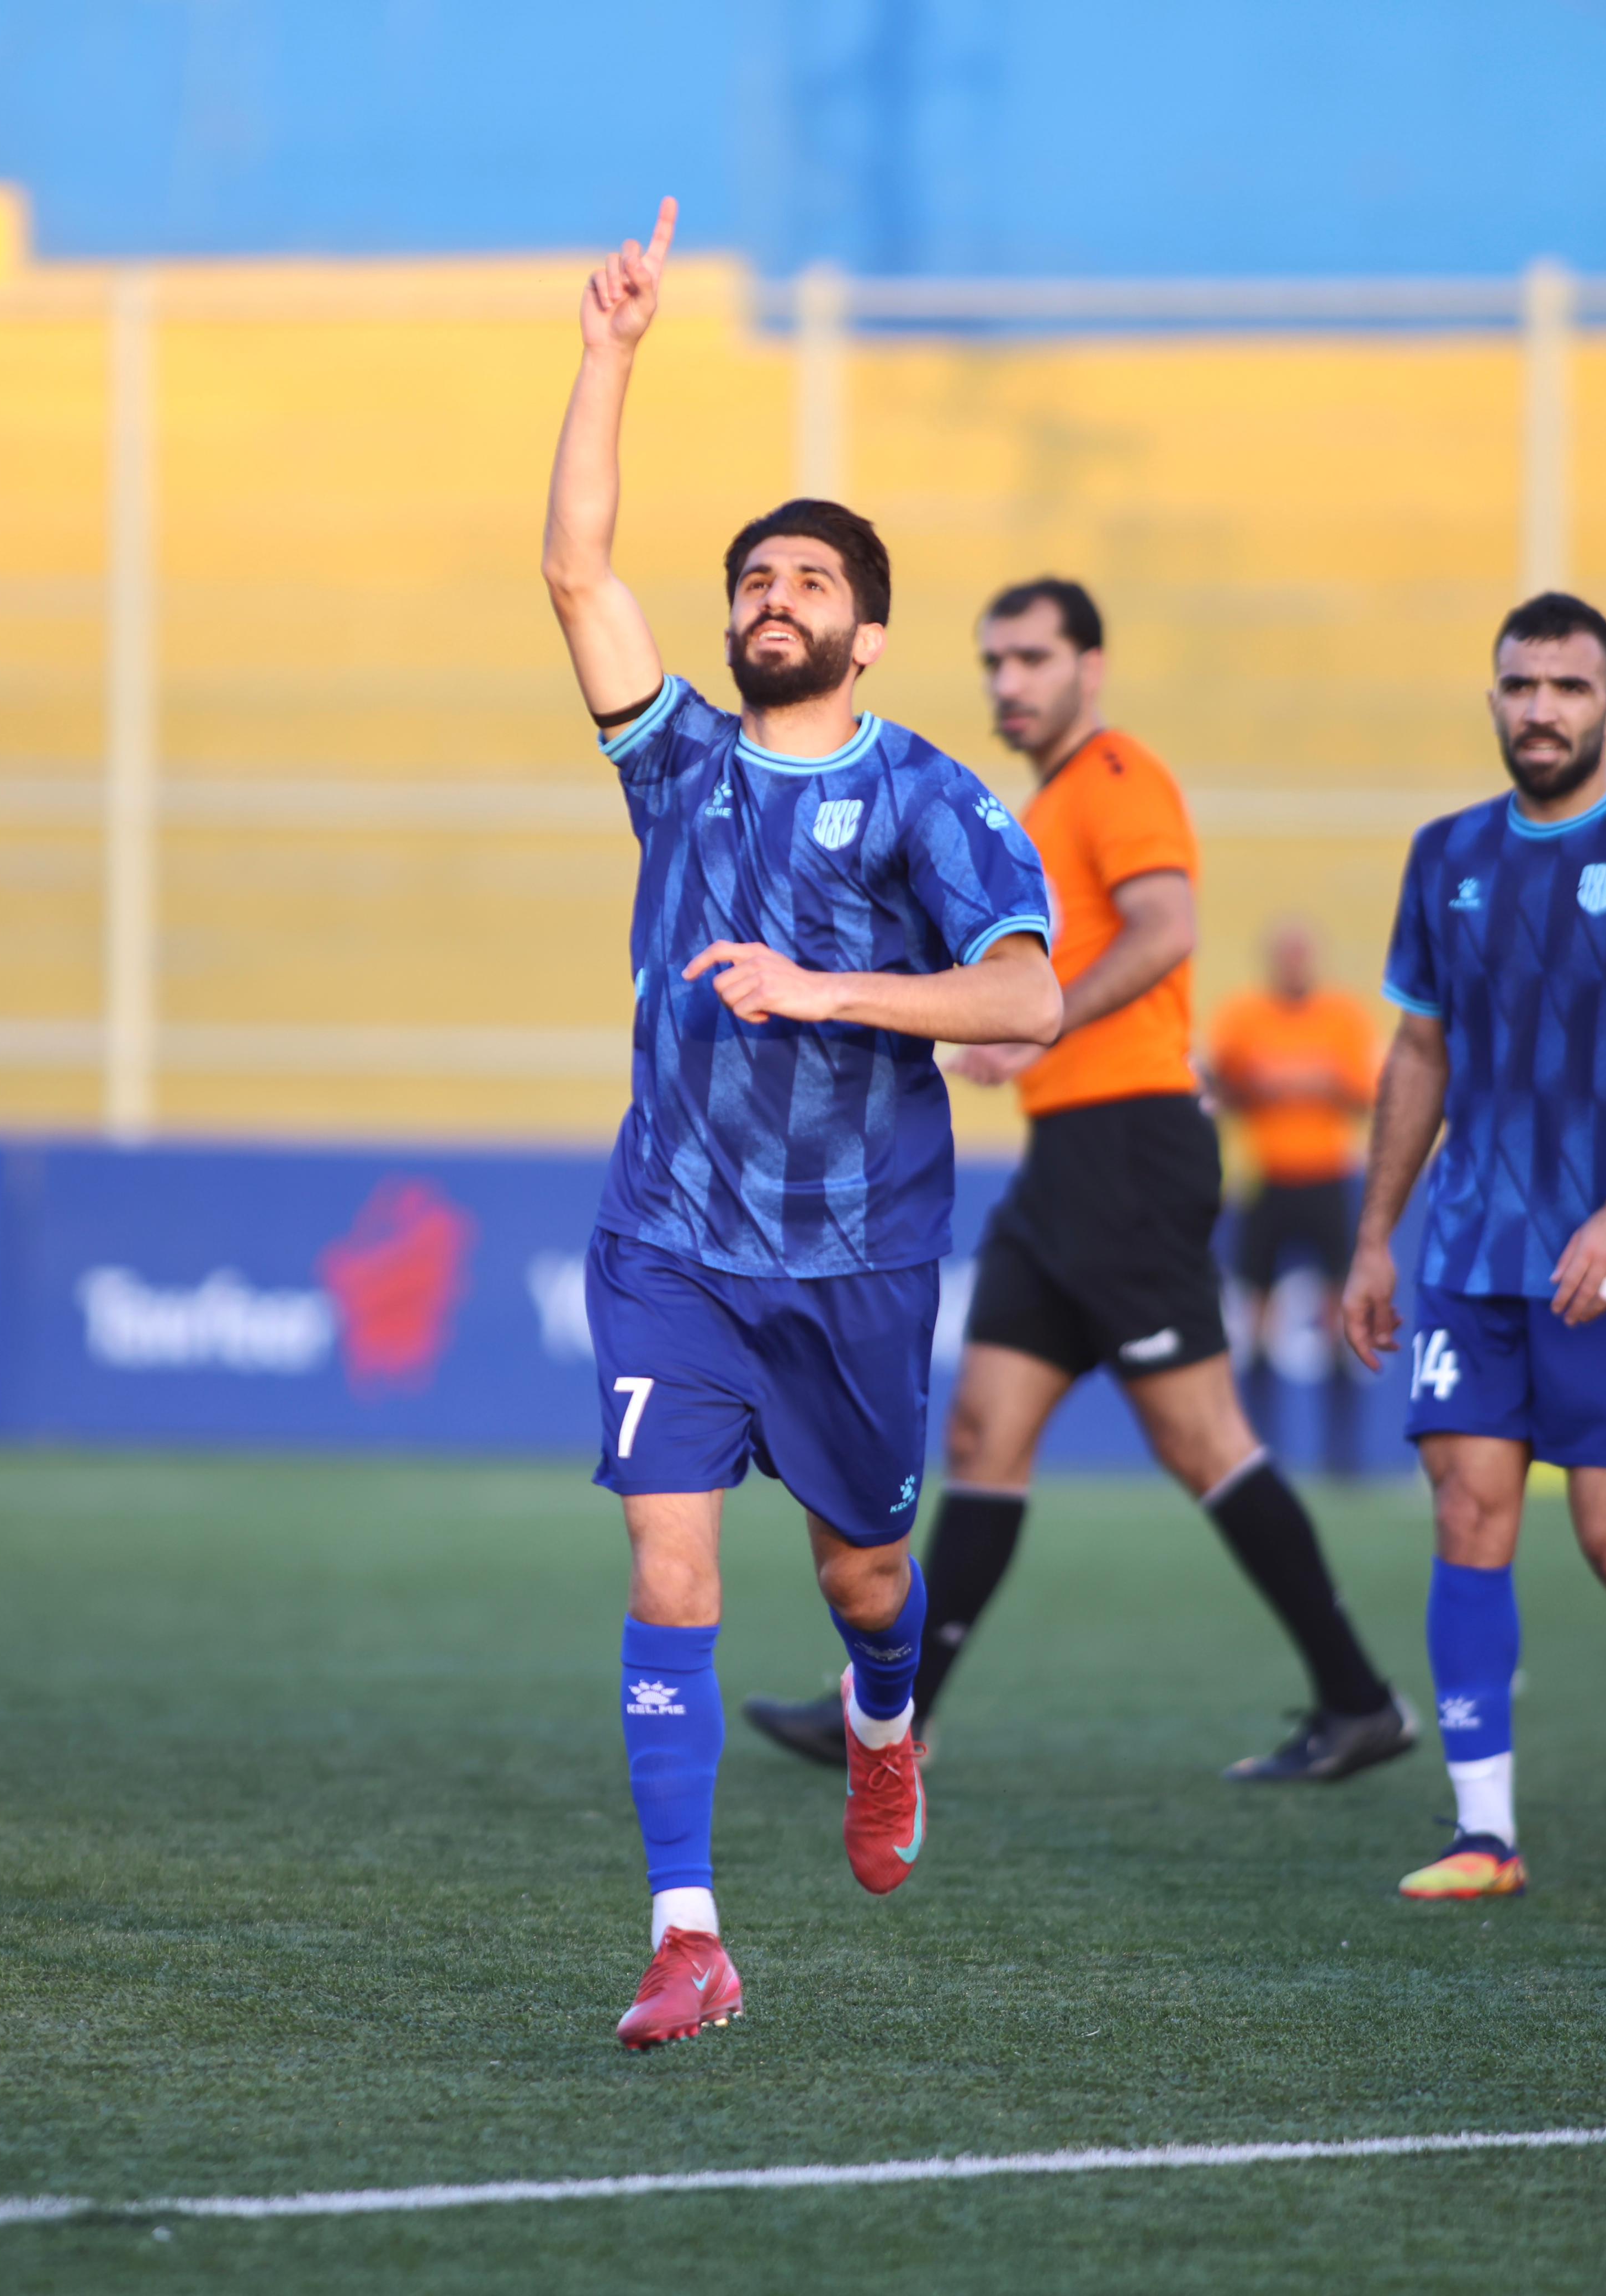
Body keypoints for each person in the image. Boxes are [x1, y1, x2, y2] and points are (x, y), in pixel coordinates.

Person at [541, 201, 1061, 2046]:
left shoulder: (929, 802)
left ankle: (881, 1721)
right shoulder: (675, 761)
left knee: (862, 1571)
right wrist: (611, 353)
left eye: (807, 585)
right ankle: (688, 1933)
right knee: (665, 1554)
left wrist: (831, 989)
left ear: (866, 631)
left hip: (852, 1265)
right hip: (669, 1243)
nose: (772, 601)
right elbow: (581, 577)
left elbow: (1025, 997)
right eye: (754, 580)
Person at [745, 578, 1414, 1784]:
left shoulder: (1116, 780)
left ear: (1089, 669)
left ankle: (1361, 1701)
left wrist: (1036, 1025)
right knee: (984, 1431)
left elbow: (1166, 929)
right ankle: (889, 1720)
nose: (1010, 681)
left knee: (1205, 1440)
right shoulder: (1043, 804)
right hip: (1067, 1161)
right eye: (995, 660)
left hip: (1131, 1149)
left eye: (1035, 658)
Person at [1344, 591, 1606, 1902]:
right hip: (1470, 1246)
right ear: (1493, 698)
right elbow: (1418, 1050)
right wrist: (1373, 1240)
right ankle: (1484, 1833)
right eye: (1520, 686)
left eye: (1568, 689)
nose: (1540, 710)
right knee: (1468, 1513)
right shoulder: (1444, 852)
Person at [1209, 923, 1380, 1465]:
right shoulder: (1243, 1017)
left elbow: (1362, 1094)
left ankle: (1342, 1455)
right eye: (1286, 955)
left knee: (1338, 1314)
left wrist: (1311, 1084)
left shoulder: (1343, 1016)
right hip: (1266, 1180)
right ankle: (1258, 1449)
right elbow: (1222, 1088)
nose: (1294, 965)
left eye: (1301, 954)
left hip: (1328, 1178)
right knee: (1256, 1316)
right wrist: (1262, 1087)